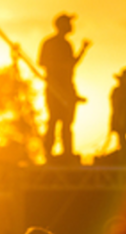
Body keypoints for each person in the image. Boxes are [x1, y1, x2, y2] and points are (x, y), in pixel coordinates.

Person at [39, 13, 90, 159]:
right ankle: (49, 153)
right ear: (61, 25)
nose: (71, 26)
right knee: (54, 120)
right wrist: (60, 68)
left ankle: (67, 154)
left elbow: (71, 65)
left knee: (67, 124)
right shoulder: (49, 43)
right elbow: (42, 62)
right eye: (68, 23)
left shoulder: (67, 44)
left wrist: (83, 50)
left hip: (68, 87)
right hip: (55, 88)